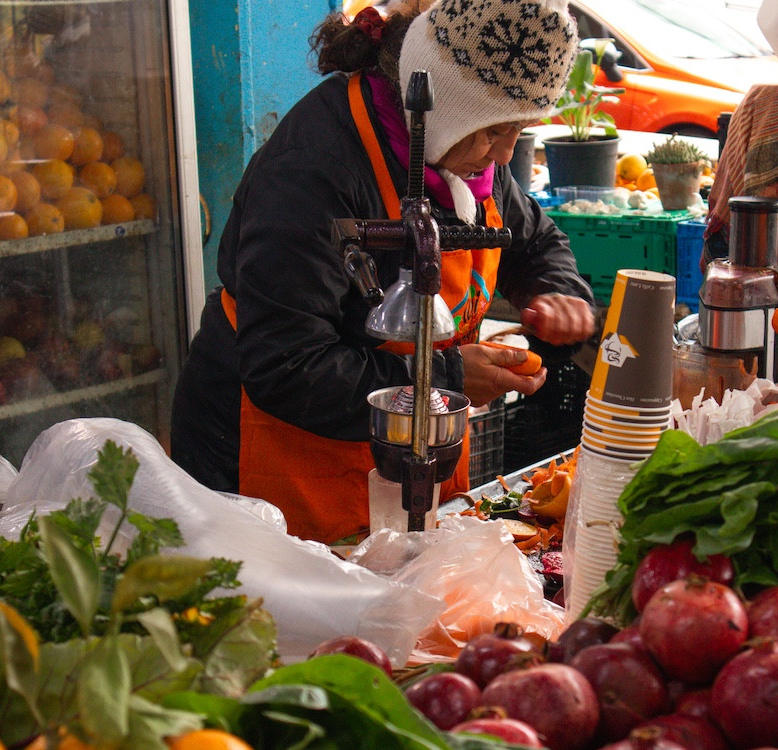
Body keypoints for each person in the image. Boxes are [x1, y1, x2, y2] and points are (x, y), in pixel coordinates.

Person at [170, 0, 597, 545]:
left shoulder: (464, 162)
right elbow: (285, 364)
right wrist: (446, 381)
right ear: (444, 110)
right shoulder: (312, 170)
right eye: (494, 131)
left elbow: (534, 240)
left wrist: (556, 291)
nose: (503, 155)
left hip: (407, 460)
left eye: (520, 129)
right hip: (279, 473)